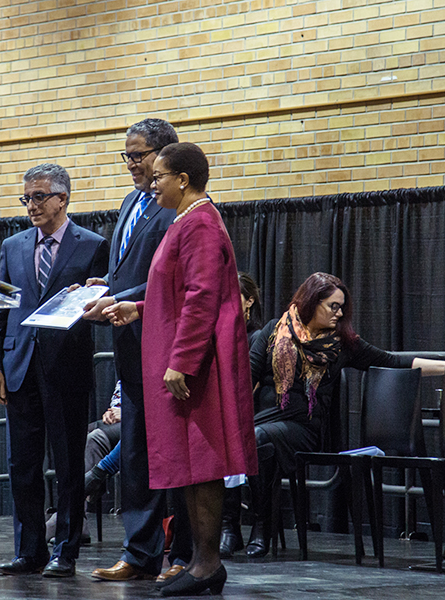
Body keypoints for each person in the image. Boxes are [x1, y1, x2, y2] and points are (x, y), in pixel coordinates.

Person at [102, 142, 258, 596]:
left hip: (197, 366)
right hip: (185, 361)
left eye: (160, 178)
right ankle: (200, 563)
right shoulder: (185, 221)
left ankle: (208, 564)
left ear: (183, 180)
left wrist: (182, 362)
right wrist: (138, 306)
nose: (153, 186)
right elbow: (177, 293)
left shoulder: (201, 224)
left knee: (204, 462)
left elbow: (202, 298)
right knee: (191, 464)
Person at [245, 271, 445, 558]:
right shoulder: (273, 331)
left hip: (304, 427)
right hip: (265, 418)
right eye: (333, 306)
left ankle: (261, 527)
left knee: (258, 440)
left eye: (342, 307)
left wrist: (443, 366)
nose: (339, 313)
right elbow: (244, 377)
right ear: (312, 302)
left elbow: (392, 360)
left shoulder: (342, 344)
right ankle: (232, 528)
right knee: (248, 438)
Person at [0, 164, 110, 577]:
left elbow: (101, 305)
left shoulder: (93, 245)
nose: (31, 206)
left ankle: (66, 552)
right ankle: (30, 550)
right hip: (19, 369)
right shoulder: (13, 246)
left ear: (62, 198)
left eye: (39, 197)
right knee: (23, 466)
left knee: (70, 465)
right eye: (26, 199)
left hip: (66, 370)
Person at [81, 118, 185, 582]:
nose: (130, 164)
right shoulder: (130, 202)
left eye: (138, 155)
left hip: (165, 344)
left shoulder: (176, 206)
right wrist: (109, 284)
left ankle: (182, 554)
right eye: (125, 155)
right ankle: (139, 554)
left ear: (164, 156)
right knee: (137, 450)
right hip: (129, 343)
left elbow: (171, 280)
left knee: (174, 452)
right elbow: (132, 268)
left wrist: (124, 297)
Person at [45, 381, 122, 544]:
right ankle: (75, 518)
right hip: (121, 418)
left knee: (94, 440)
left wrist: (126, 412)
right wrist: (112, 411)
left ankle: (69, 517)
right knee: (73, 437)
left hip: (141, 419)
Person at [219, 272, 263, 558]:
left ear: (249, 301)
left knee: (230, 434)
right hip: (220, 410)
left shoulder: (257, 336)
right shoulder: (218, 333)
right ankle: (226, 527)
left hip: (251, 412)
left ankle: (231, 527)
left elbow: (250, 384)